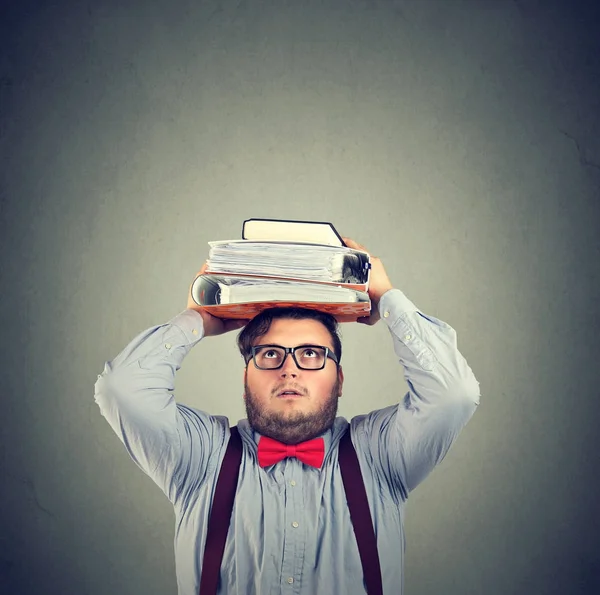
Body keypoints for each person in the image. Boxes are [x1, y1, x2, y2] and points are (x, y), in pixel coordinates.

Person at [94, 236, 481, 595]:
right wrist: (196, 319)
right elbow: (121, 390)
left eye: (311, 353)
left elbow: (453, 395)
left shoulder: (379, 456)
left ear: (339, 378)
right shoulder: (200, 457)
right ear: (246, 375)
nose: (290, 370)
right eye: (270, 353)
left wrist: (387, 300)